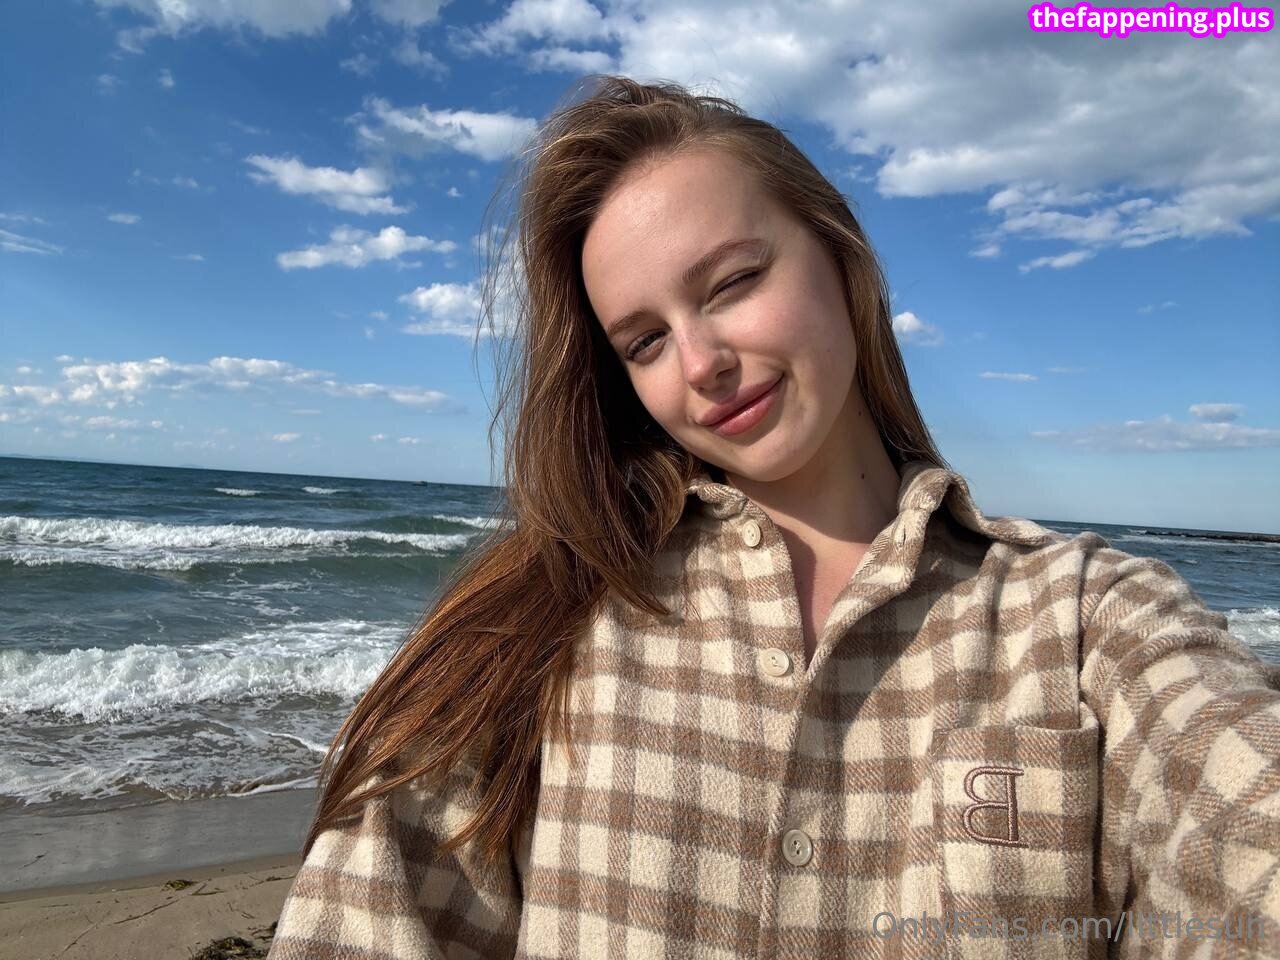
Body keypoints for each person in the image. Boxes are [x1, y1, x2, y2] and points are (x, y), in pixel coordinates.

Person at [266, 75, 1280, 959]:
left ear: (842, 259)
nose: (700, 362)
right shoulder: (537, 626)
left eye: (734, 282)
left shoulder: (1084, 617)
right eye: (644, 341)